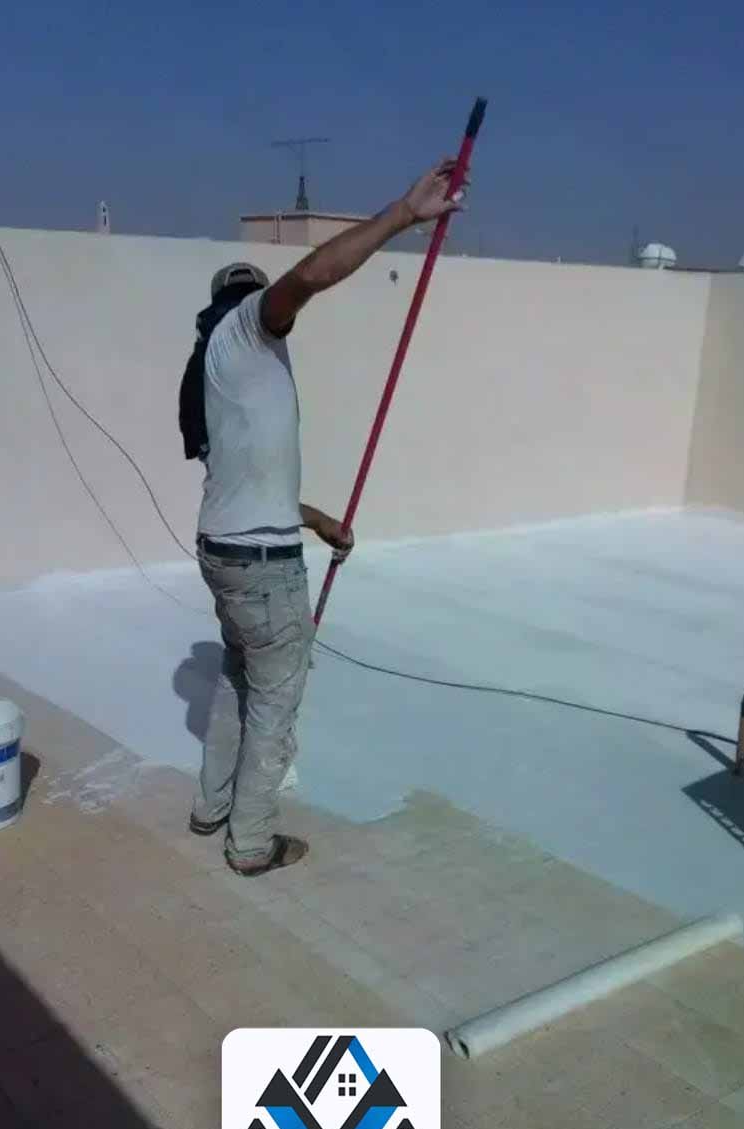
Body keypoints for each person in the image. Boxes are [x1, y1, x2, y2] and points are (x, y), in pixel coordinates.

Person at [190, 158, 467, 876]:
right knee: (275, 702)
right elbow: (310, 276)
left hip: (226, 551)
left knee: (237, 679)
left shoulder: (220, 369)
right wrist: (403, 214)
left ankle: (210, 808)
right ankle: (251, 844)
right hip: (262, 569)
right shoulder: (249, 330)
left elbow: (250, 486)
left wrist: (318, 521)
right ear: (251, 301)